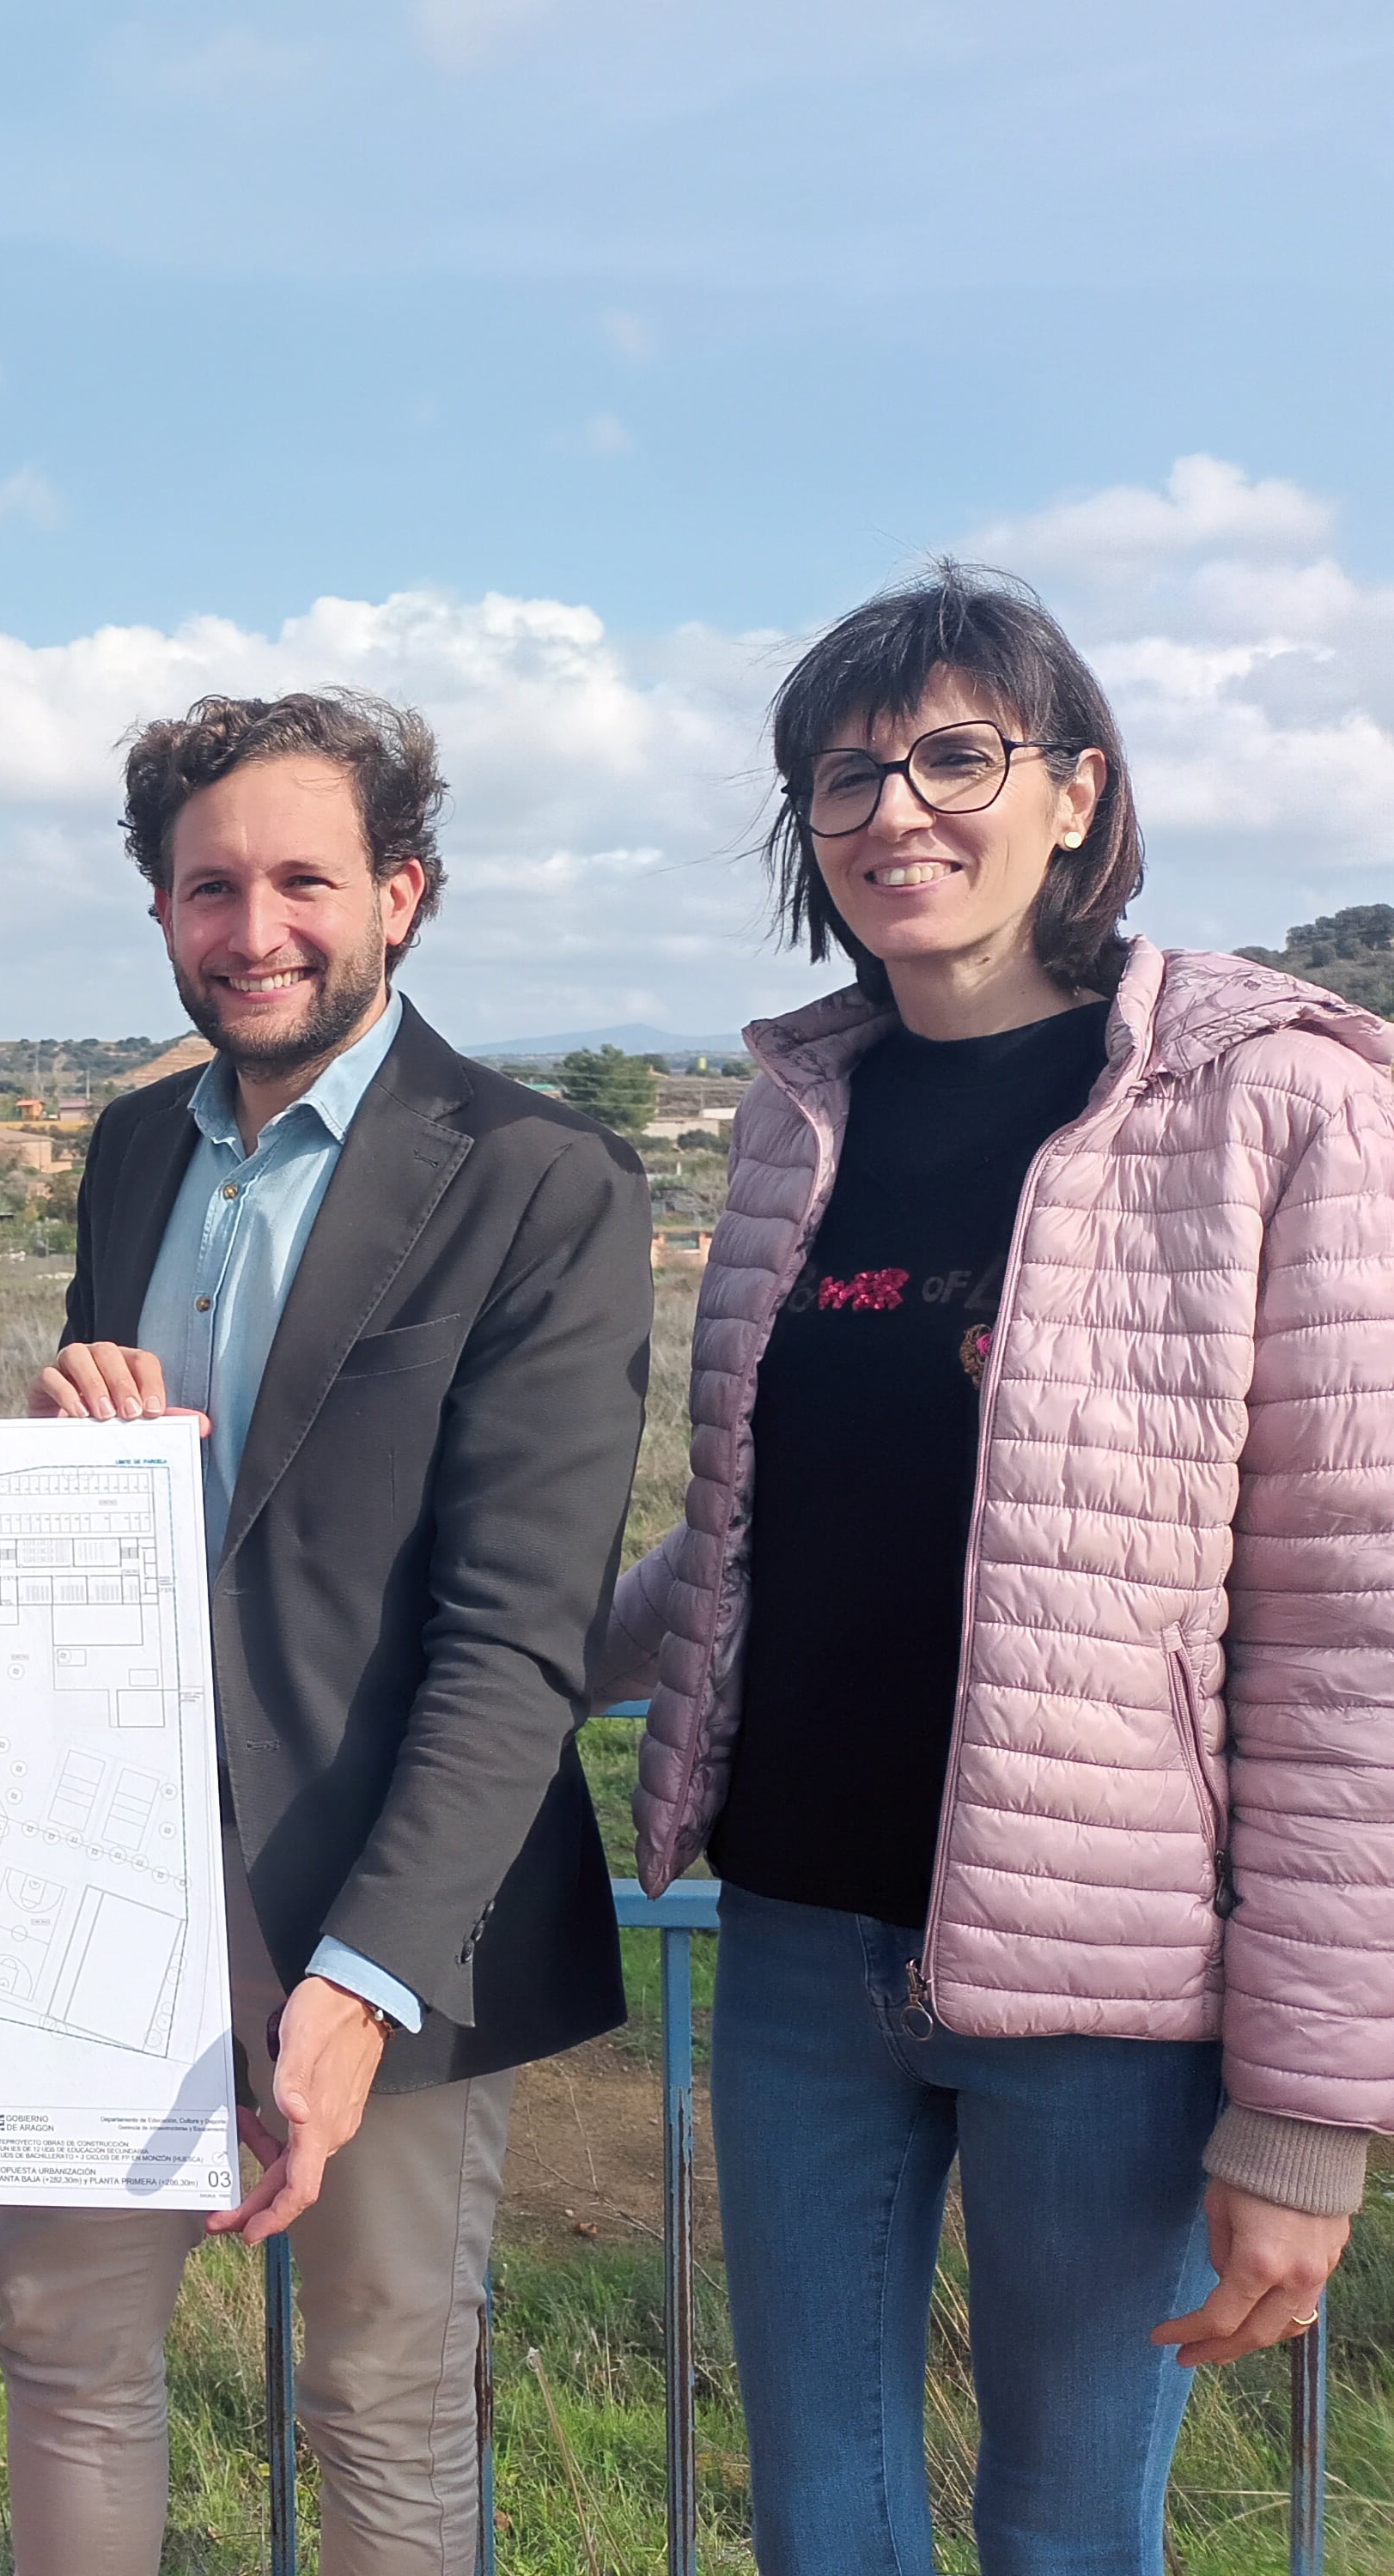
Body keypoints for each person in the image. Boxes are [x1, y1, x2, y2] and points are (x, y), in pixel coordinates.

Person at [601, 564, 1391, 2571]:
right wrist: (463, 1634)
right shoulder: (802, 1114)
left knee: (1065, 2535)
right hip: (793, 1949)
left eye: (957, 755)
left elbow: (1341, 1642)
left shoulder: (1272, 1106)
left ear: (1077, 793)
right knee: (822, 2528)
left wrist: (1305, 2116)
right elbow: (760, 1527)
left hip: (1108, 1993)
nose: (892, 813)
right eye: (844, 777)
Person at [17, 690, 649, 2573]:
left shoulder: (539, 1178)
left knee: (380, 2396)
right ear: (159, 917)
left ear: (402, 893)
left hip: (390, 1907)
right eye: (207, 886)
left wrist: (364, 1976)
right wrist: (64, 1439)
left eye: (303, 878)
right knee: (60, 2362)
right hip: (107, 1884)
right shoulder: (135, 1150)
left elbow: (515, 1633)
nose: (254, 925)